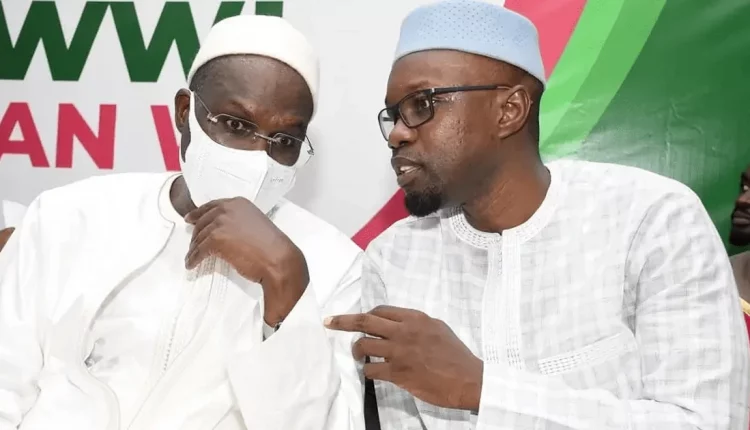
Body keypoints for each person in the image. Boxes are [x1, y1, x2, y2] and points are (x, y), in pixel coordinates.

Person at [325, 0, 750, 428]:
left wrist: (482, 389)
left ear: (509, 111)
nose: (397, 133)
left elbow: (708, 422)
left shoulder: (653, 221)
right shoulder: (394, 258)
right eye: (394, 115)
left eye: (422, 104)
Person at [0, 15, 364, 430]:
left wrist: (285, 286)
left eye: (284, 141)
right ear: (185, 111)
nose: (258, 160)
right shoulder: (70, 216)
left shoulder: (334, 265)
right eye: (235, 125)